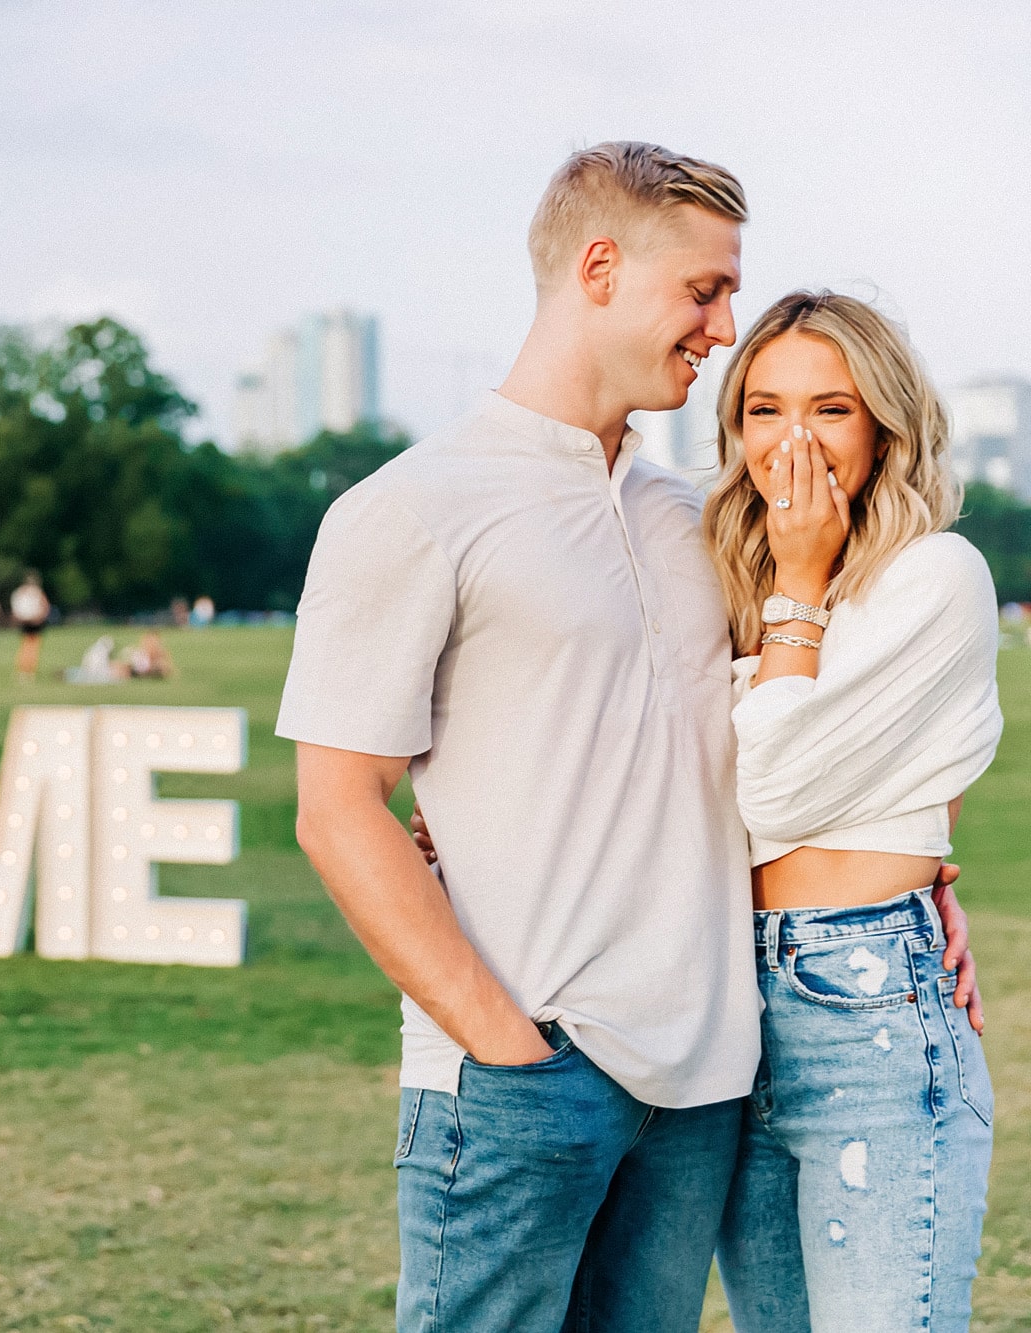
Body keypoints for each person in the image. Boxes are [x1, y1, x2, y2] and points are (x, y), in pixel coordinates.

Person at [281, 142, 970, 1332]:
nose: (722, 323)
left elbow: (764, 744)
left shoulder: (697, 522)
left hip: (702, 1089)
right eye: (703, 289)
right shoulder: (407, 508)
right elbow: (337, 808)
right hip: (517, 1074)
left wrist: (911, 868)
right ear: (598, 266)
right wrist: (505, 1049)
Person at [702, 293, 998, 1332]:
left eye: (829, 409)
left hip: (863, 1003)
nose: (791, 440)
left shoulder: (932, 578)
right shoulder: (718, 579)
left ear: (882, 429)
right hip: (718, 1010)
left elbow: (768, 791)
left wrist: (795, 585)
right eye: (762, 409)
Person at [9, 571, 51, 682]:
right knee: (32, 647)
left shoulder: (19, 592)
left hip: (25, 622)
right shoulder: (37, 592)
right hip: (34, 622)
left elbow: (15, 609)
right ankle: (28, 671)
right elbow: (45, 607)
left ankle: (24, 670)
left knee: (26, 646)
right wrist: (39, 617)